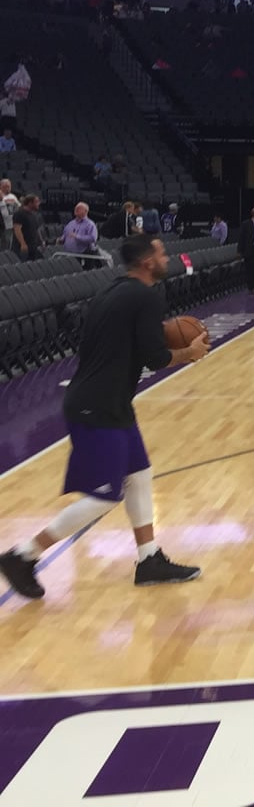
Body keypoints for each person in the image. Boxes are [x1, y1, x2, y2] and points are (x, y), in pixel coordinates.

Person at [0, 235, 209, 600]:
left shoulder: (112, 290)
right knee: (103, 497)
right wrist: (188, 352)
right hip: (96, 406)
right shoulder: (145, 296)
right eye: (160, 252)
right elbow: (157, 359)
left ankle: (149, 560)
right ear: (147, 262)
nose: (165, 257)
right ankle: (22, 555)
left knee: (139, 476)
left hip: (106, 401)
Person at [12, 193, 43, 260]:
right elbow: (17, 230)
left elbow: (37, 229)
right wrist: (23, 243)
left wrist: (41, 241)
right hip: (22, 248)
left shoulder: (34, 215)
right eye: (36, 202)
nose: (39, 203)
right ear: (30, 203)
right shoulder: (19, 214)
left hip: (32, 247)